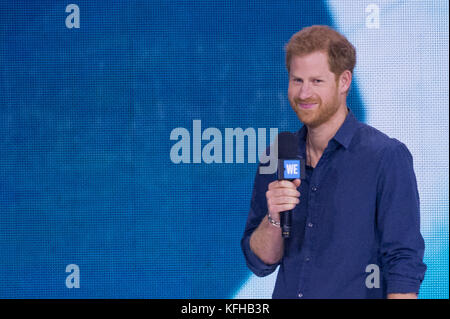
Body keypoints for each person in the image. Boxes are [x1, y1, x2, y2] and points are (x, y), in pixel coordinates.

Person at [241, 25, 427, 299]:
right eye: (297, 80)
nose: (304, 94)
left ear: (344, 82)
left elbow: (403, 262)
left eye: (316, 81)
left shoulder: (385, 157)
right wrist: (275, 218)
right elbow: (260, 262)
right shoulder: (279, 154)